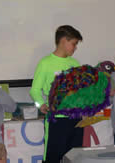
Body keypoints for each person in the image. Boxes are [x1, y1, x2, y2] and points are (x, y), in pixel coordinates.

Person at [30, 25, 83, 163]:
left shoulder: (75, 63)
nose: (75, 48)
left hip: (76, 118)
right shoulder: (45, 63)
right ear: (64, 41)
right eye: (74, 44)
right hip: (57, 119)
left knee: (75, 157)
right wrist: (40, 105)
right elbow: (34, 90)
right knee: (53, 157)